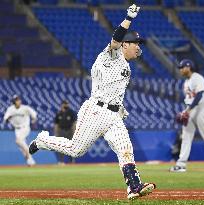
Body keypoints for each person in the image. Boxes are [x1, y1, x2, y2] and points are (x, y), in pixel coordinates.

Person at [29, 4, 156, 200]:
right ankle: (42, 140)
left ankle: (133, 187)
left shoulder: (127, 66)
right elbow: (116, 38)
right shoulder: (110, 55)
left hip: (114, 115)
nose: (138, 46)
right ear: (125, 44)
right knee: (75, 150)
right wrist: (129, 18)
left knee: (125, 149)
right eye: (135, 43)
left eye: (139, 43)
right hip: (95, 111)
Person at [170, 59, 204, 172]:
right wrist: (186, 111)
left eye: (182, 67)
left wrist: (189, 110)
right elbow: (189, 99)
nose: (180, 70)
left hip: (201, 108)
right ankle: (181, 164)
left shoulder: (197, 77)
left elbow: (200, 95)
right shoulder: (186, 82)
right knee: (186, 136)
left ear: (188, 67)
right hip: (190, 109)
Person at [4, 95, 37, 166]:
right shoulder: (10, 109)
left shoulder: (25, 108)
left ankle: (29, 156)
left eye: (19, 100)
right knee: (21, 146)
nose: (18, 101)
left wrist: (34, 119)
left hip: (25, 127)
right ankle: (30, 160)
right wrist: (8, 118)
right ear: (13, 102)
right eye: (16, 100)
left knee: (18, 141)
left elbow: (33, 113)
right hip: (17, 130)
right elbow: (5, 119)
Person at [54, 100, 77, 165]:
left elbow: (74, 122)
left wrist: (74, 131)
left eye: (67, 104)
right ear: (62, 105)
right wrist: (56, 133)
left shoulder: (71, 112)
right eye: (65, 104)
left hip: (69, 131)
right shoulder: (59, 113)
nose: (66, 105)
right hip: (61, 131)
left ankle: (72, 161)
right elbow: (56, 124)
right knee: (61, 147)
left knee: (70, 147)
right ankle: (61, 161)